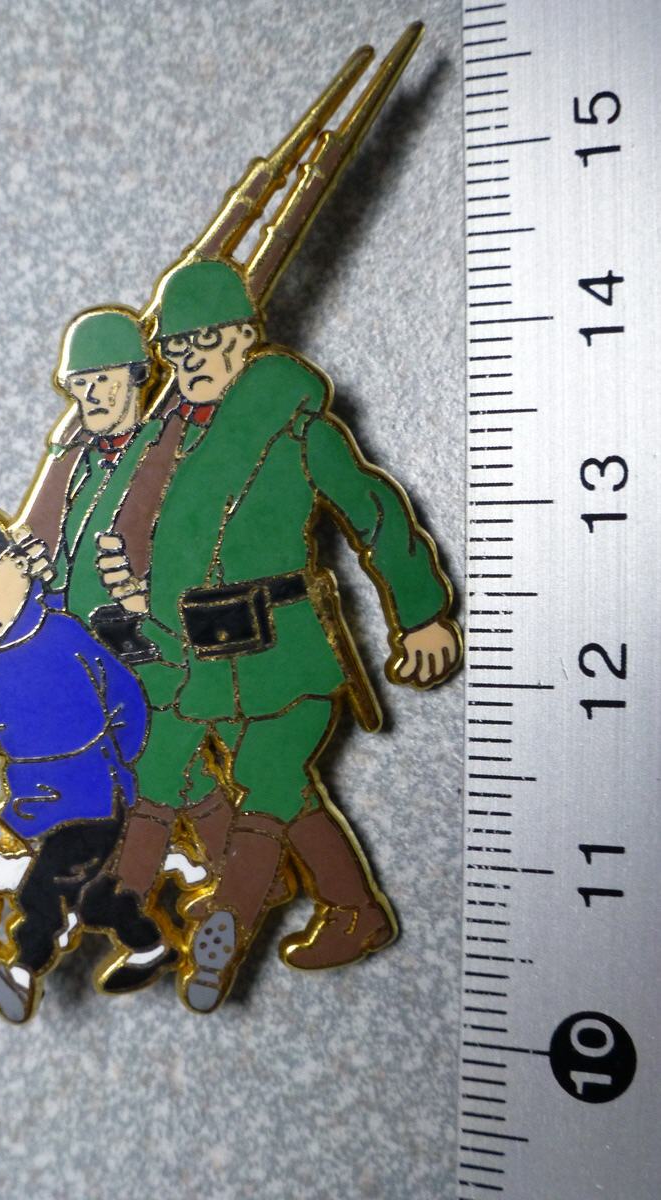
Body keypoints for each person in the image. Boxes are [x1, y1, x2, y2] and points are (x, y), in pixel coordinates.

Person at [92, 258, 461, 1012]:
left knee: (266, 781)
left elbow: (375, 512)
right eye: (177, 348)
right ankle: (354, 910)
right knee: (263, 787)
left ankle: (223, 931)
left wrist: (422, 615)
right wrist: (135, 596)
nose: (190, 360)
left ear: (244, 337)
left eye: (206, 342)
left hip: (286, 653)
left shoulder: (298, 430)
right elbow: (179, 552)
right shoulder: (177, 444)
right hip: (200, 659)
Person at [0, 503, 175, 1022]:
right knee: (87, 896)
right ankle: (149, 941)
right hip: (28, 795)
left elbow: (125, 698)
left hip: (91, 792)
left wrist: (115, 765)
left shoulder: (62, 632)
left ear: (15, 573)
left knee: (44, 885)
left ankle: (22, 968)